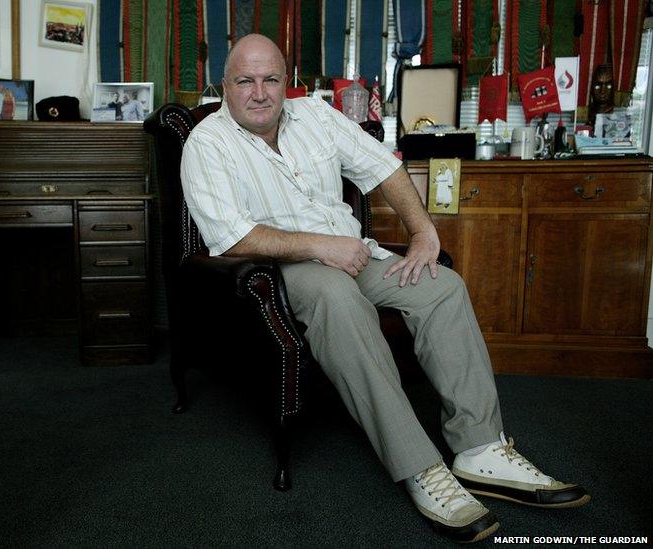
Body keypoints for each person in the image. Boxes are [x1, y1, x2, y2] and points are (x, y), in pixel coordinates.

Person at [180, 34, 589, 544]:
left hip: (354, 253)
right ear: (224, 86)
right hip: (278, 267)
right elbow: (233, 236)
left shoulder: (317, 116)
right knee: (338, 297)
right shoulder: (206, 143)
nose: (259, 92)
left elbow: (384, 168)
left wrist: (422, 232)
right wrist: (321, 246)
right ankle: (421, 466)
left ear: (289, 83)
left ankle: (480, 448)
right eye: (245, 81)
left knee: (442, 286)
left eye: (270, 80)